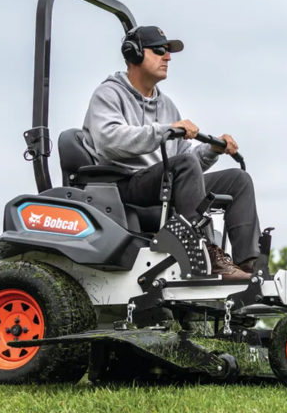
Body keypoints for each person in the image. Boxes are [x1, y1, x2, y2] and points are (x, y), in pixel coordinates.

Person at [82, 25, 259, 280]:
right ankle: (203, 256)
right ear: (134, 54)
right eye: (159, 51)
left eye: (168, 52)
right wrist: (163, 131)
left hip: (162, 180)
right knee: (183, 166)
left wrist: (211, 150)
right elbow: (109, 140)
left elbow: (188, 161)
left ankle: (248, 267)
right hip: (122, 183)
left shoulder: (167, 105)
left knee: (238, 180)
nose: (168, 57)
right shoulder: (108, 94)